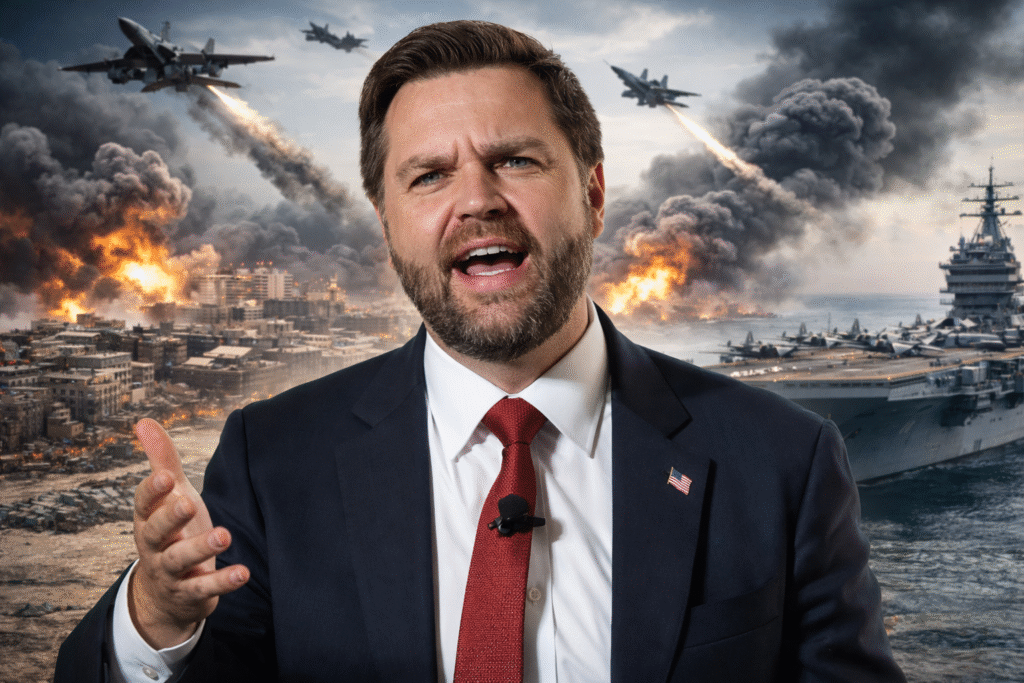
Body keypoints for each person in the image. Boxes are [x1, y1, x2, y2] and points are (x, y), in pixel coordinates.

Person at [56, 20, 906, 683]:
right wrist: (159, 619)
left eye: (516, 159)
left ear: (596, 192)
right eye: (428, 176)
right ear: (387, 222)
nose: (477, 201)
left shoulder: (783, 463)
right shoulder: (274, 460)